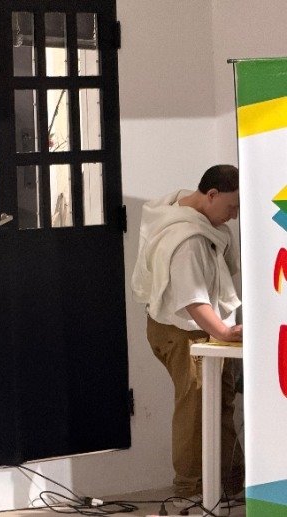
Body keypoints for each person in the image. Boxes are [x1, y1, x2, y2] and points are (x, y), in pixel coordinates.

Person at [130, 164, 244, 502]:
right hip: (183, 332)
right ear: (212, 194)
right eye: (232, 206)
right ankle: (192, 489)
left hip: (182, 327)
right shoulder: (189, 239)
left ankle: (228, 483)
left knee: (218, 401)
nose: (235, 216)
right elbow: (192, 300)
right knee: (197, 407)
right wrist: (224, 331)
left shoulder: (177, 205)